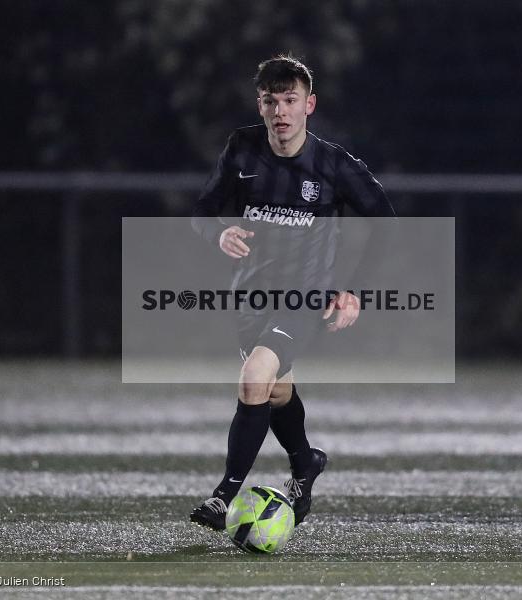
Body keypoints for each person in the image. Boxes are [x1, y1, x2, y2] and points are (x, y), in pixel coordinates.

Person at [189, 54, 396, 531]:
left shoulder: (332, 165)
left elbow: (386, 223)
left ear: (310, 105)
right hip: (251, 298)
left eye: (290, 100)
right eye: (270, 101)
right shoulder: (241, 149)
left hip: (306, 297)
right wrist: (218, 233)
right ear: (259, 106)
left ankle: (224, 497)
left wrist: (354, 292)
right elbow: (202, 210)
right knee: (275, 391)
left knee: (254, 375)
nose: (280, 111)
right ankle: (305, 462)